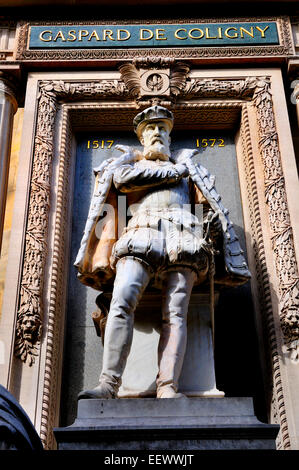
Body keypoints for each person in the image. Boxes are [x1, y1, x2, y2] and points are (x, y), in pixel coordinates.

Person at [74, 105, 250, 399]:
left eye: (162, 130)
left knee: (177, 313)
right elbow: (122, 182)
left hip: (182, 238)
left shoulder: (190, 171)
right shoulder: (133, 168)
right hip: (141, 234)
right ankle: (108, 385)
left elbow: (203, 205)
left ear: (169, 138)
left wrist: (211, 228)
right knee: (121, 301)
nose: (157, 133)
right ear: (142, 140)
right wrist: (175, 171)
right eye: (150, 130)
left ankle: (168, 386)